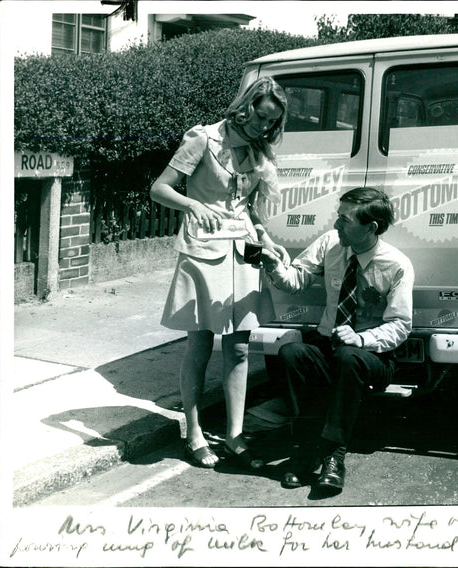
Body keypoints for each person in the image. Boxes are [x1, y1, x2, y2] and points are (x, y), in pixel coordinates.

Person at [150, 77, 289, 469]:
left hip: (242, 254)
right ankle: (194, 433)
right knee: (199, 345)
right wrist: (192, 205)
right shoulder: (203, 140)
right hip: (203, 253)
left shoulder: (259, 151)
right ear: (246, 107)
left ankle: (234, 436)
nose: (264, 127)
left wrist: (267, 239)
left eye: (272, 122)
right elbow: (159, 189)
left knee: (240, 347)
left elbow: (250, 210)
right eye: (261, 117)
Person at [258, 187, 414, 492]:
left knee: (347, 357)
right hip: (328, 344)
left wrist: (361, 339)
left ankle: (333, 455)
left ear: (370, 228)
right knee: (292, 353)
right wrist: (273, 265)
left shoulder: (396, 264)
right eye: (338, 216)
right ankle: (305, 449)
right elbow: (296, 280)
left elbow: (400, 325)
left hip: (372, 357)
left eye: (345, 220)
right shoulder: (330, 243)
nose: (336, 224)